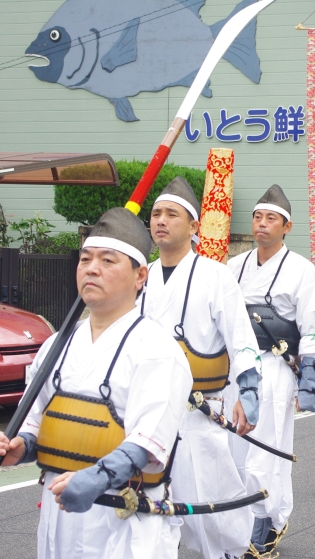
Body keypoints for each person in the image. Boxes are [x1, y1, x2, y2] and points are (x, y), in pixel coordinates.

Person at [0, 208, 193, 559]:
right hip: (58, 513)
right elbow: (36, 422)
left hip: (124, 520)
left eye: (108, 260)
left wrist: (98, 477)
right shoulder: (55, 345)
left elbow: (148, 442)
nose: (91, 268)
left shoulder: (158, 349)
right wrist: (21, 447)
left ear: (140, 276)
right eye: (85, 258)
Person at [140, 177, 261, 559]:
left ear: (194, 227)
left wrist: (249, 388)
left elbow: (240, 337)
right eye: (156, 213)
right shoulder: (138, 274)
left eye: (171, 214)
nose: (161, 220)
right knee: (148, 509)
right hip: (144, 411)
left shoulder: (215, 275)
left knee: (211, 503)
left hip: (198, 409)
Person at [227, 184, 315, 558]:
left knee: (266, 448)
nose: (262, 224)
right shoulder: (234, 268)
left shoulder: (302, 269)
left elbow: (311, 327)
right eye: (257, 217)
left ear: (287, 227)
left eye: (271, 218)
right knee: (234, 448)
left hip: (275, 369)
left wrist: (309, 381)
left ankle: (268, 523)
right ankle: (238, 522)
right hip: (238, 370)